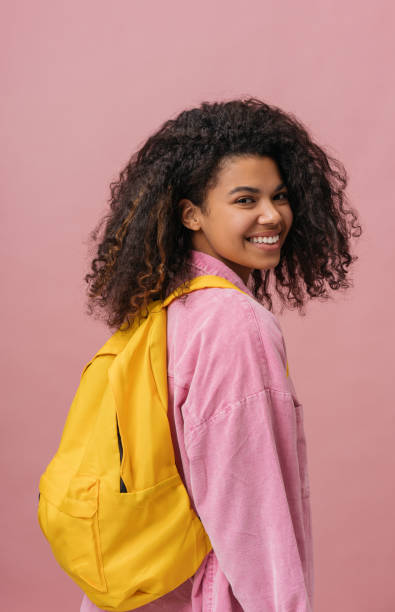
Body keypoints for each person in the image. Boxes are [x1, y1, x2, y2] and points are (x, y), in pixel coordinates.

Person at [80, 97, 362, 611]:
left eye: (279, 196)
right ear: (191, 213)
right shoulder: (234, 324)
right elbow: (250, 509)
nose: (272, 215)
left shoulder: (163, 309)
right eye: (244, 200)